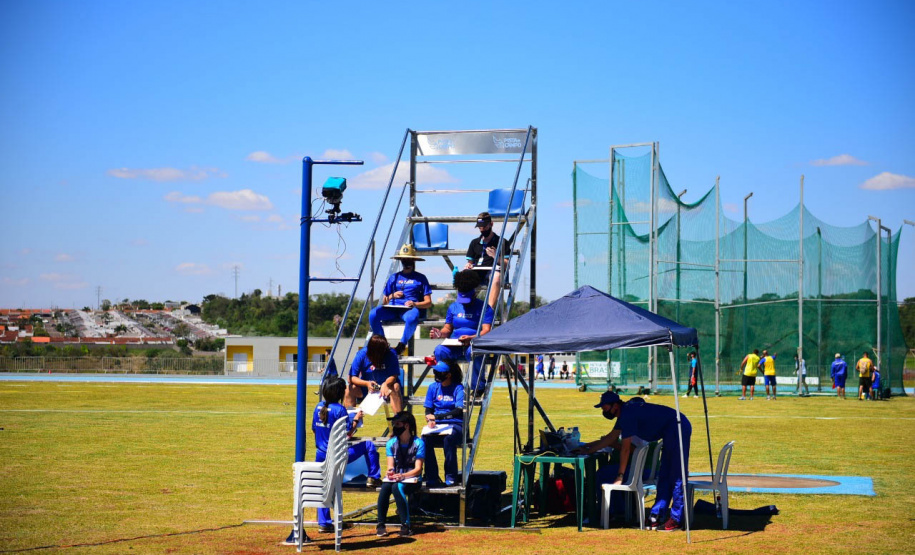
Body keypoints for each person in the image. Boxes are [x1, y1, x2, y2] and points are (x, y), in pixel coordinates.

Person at [577, 391, 692, 532]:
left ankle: (677, 519)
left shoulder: (627, 414)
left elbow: (625, 449)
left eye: (604, 407)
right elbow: (610, 438)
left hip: (678, 427)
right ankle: (656, 516)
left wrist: (620, 476)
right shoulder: (624, 413)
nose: (603, 411)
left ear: (615, 406)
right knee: (664, 475)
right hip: (671, 428)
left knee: (676, 474)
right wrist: (588, 450)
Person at [313, 377, 381, 533]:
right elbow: (348, 432)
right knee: (369, 445)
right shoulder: (340, 410)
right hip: (338, 455)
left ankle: (324, 522)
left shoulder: (318, 407)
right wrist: (356, 419)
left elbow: (315, 430)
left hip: (320, 455)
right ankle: (374, 476)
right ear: (339, 392)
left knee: (324, 487)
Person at [429, 270, 494, 392]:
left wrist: (472, 338)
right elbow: (447, 329)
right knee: (439, 350)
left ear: (474, 293)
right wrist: (440, 333)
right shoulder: (453, 307)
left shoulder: (484, 308)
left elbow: (487, 330)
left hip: (473, 344)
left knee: (473, 352)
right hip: (455, 345)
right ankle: (449, 384)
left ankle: (477, 386)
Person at [369, 244, 433, 355]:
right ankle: (382, 343)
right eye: (404, 260)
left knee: (412, 317)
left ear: (413, 261)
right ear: (401, 261)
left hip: (408, 310)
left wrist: (415, 304)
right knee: (373, 314)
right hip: (392, 309)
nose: (407, 263)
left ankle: (402, 345)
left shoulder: (420, 278)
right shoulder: (393, 277)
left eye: (409, 260)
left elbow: (428, 302)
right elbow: (384, 301)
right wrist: (392, 296)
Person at [376, 411, 424, 538]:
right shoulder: (391, 443)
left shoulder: (419, 443)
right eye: (394, 424)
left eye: (397, 424)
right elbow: (390, 465)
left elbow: (418, 469)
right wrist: (390, 471)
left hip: (413, 479)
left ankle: (406, 525)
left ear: (406, 426)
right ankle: (380, 524)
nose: (394, 427)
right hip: (397, 477)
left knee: (397, 487)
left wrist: (403, 476)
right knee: (385, 487)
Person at [422, 361, 465, 487]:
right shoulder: (433, 387)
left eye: (439, 373)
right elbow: (428, 409)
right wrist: (430, 419)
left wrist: (437, 417)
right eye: (435, 372)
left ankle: (451, 476)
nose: (436, 375)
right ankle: (431, 476)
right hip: (437, 426)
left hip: (456, 424)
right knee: (424, 439)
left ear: (448, 375)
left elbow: (458, 411)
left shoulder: (458, 388)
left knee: (449, 439)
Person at [463, 212, 511, 309]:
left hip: (493, 271)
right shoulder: (474, 243)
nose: (482, 230)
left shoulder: (502, 242)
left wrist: (496, 257)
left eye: (484, 227)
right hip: (478, 272)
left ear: (491, 224)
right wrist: (468, 265)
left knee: (496, 277)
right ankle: (466, 308)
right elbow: (470, 262)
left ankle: (489, 310)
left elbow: (507, 265)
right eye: (480, 228)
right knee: (464, 275)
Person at [345, 334, 404, 413]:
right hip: (367, 388)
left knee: (395, 386)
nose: (385, 352)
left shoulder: (391, 354)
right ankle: (351, 418)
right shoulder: (361, 354)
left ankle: (399, 418)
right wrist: (366, 383)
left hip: (386, 387)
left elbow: (394, 375)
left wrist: (386, 384)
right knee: (349, 389)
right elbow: (351, 378)